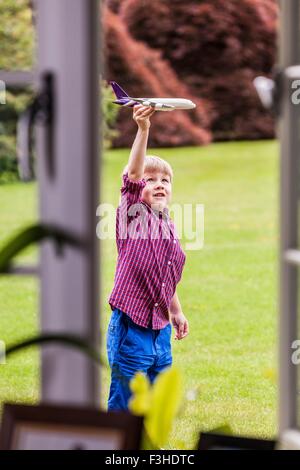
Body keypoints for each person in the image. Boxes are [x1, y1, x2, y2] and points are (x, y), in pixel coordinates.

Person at [107, 104, 189, 411]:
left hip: (160, 329)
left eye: (165, 180)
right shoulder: (132, 217)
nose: (159, 184)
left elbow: (164, 277)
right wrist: (143, 129)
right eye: (151, 180)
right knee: (125, 404)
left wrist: (176, 311)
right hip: (132, 326)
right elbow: (133, 176)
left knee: (155, 407)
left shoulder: (167, 224)